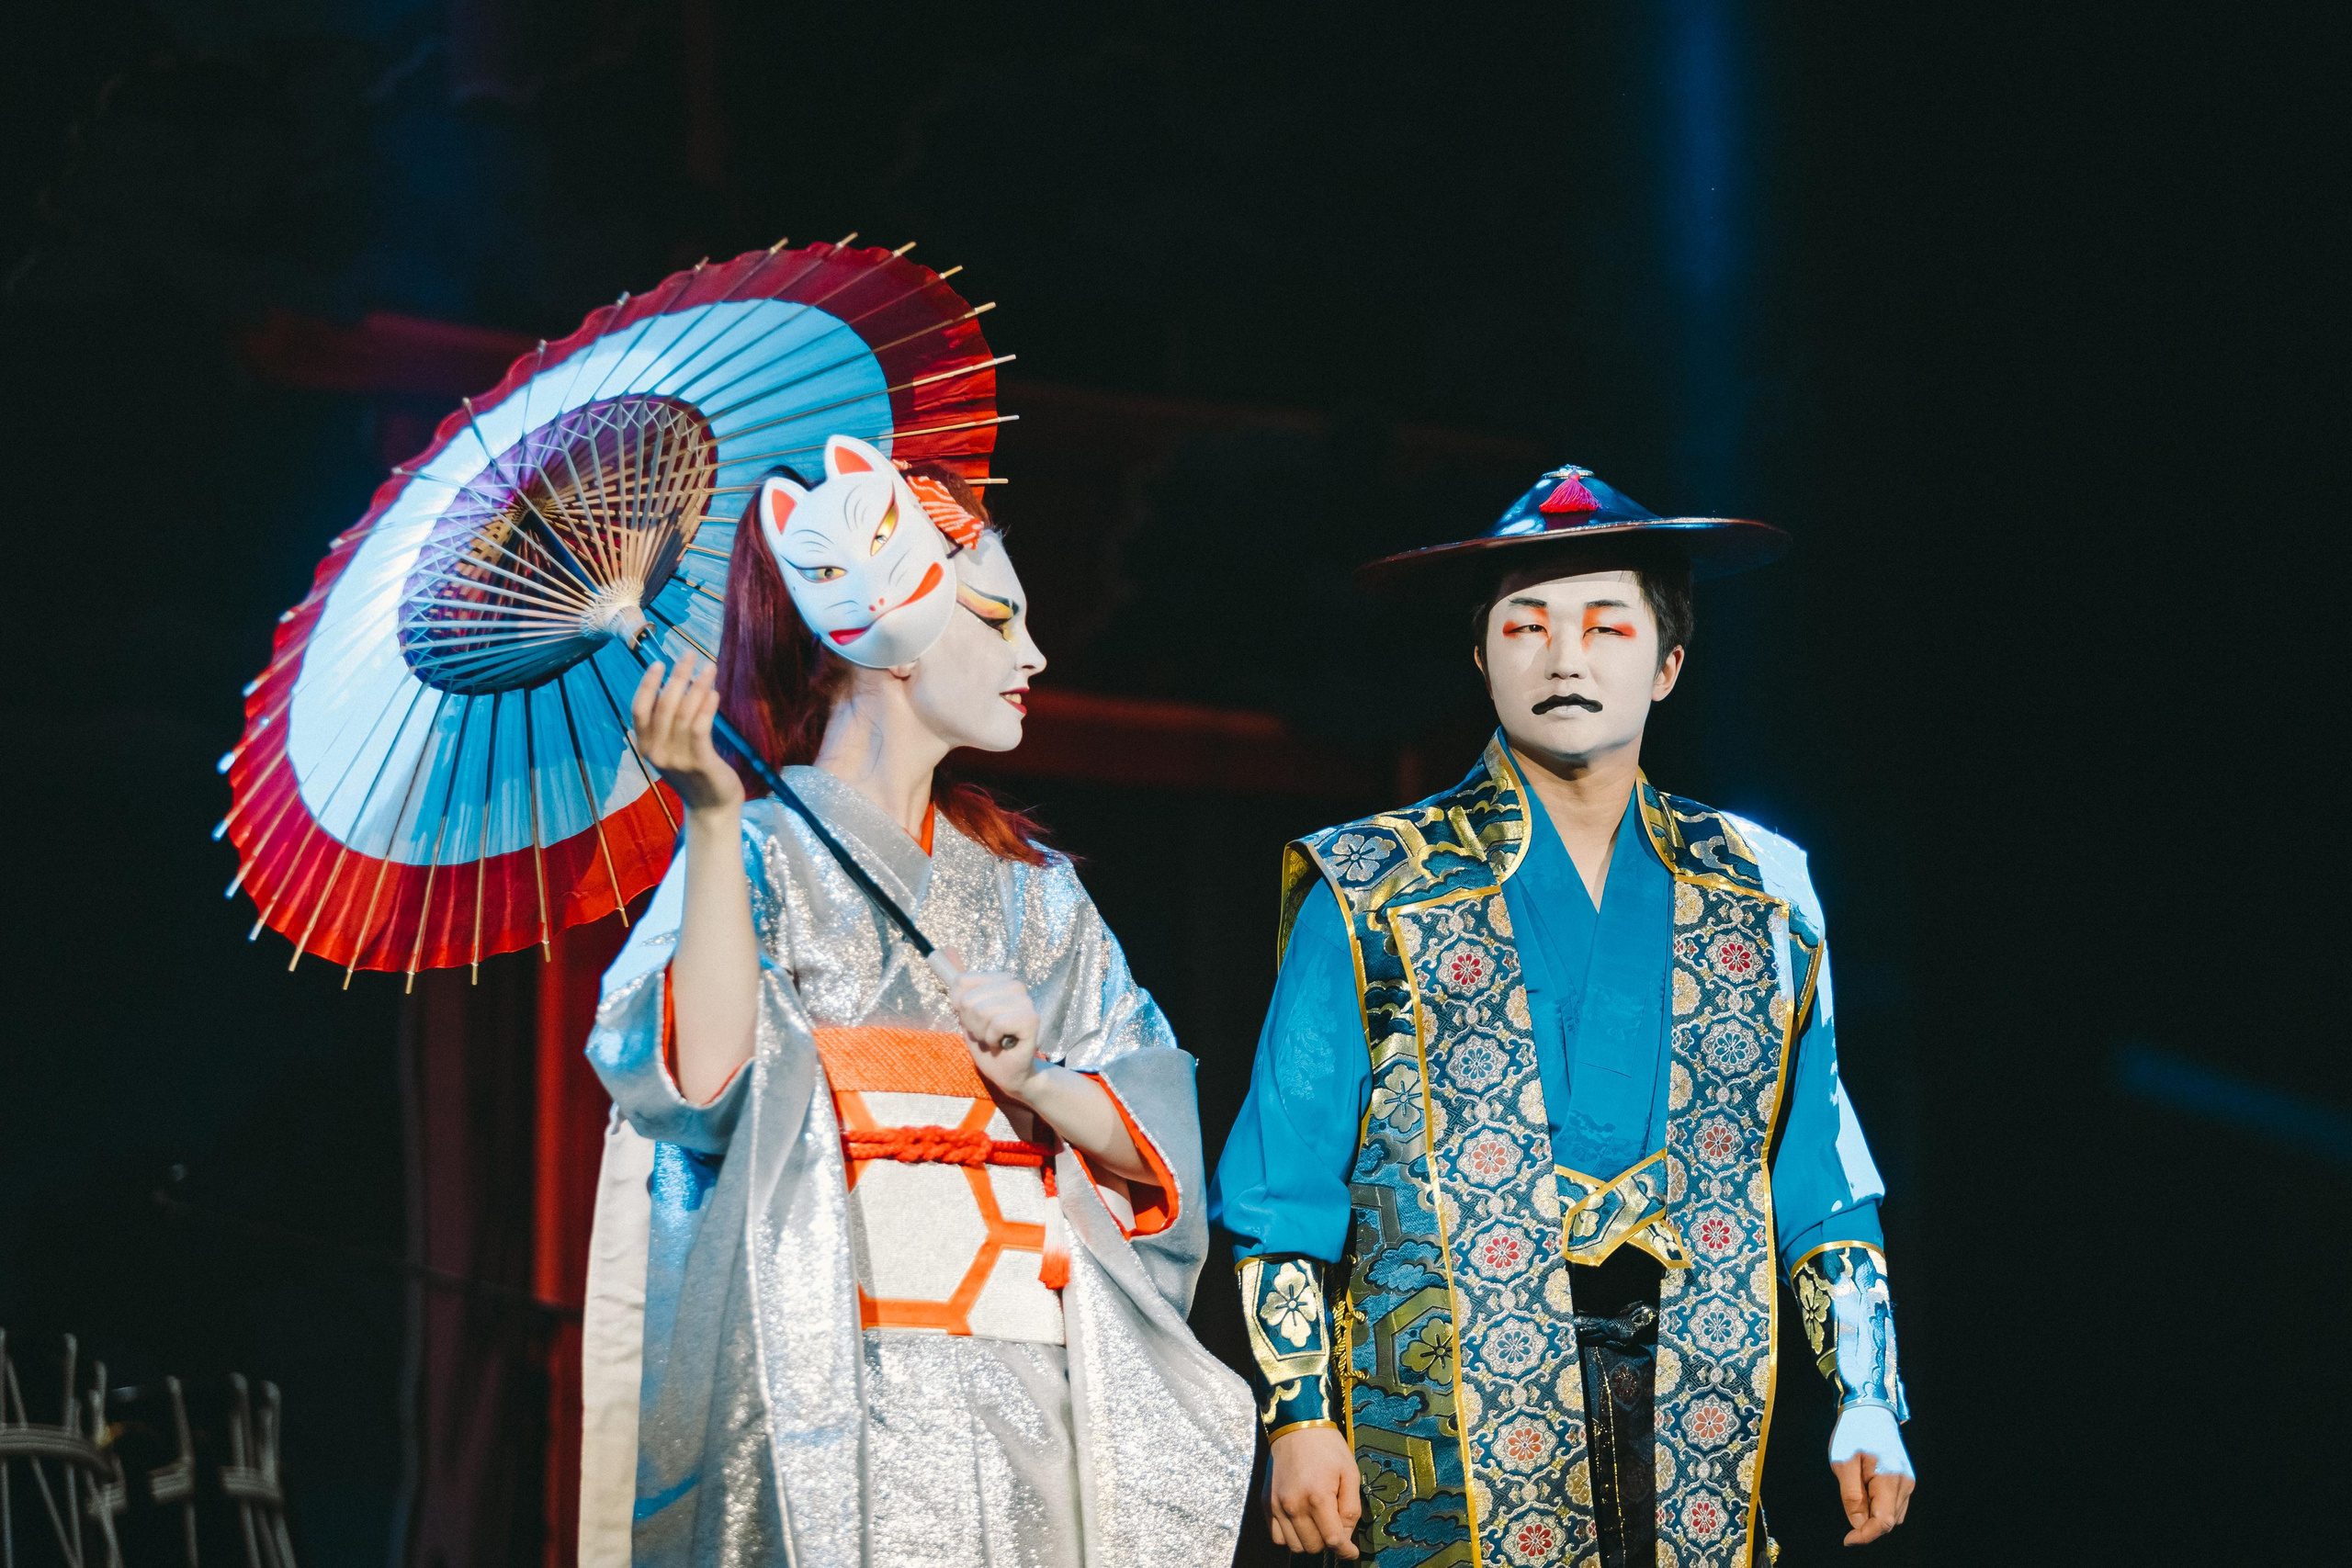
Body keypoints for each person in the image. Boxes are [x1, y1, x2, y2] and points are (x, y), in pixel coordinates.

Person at [1209, 465, 1915, 1567]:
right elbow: (1281, 1182)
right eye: (1525, 626)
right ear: (1482, 656)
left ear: (1667, 662)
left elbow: (1817, 1173)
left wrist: (1867, 1399)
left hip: (1699, 1405)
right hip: (1443, 1413)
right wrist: (1298, 1418)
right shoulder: (1372, 883)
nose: (1565, 657)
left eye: (1607, 626)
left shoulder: (1762, 887)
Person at [577, 434, 1252, 1567]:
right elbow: (695, 1088)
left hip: (1037, 1383)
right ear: (882, 626)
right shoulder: (756, 855)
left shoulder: (1038, 896)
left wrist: (1035, 1083)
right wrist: (707, 816)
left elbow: (1158, 1142)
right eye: (996, 620)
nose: (1032, 653)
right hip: (833, 1392)